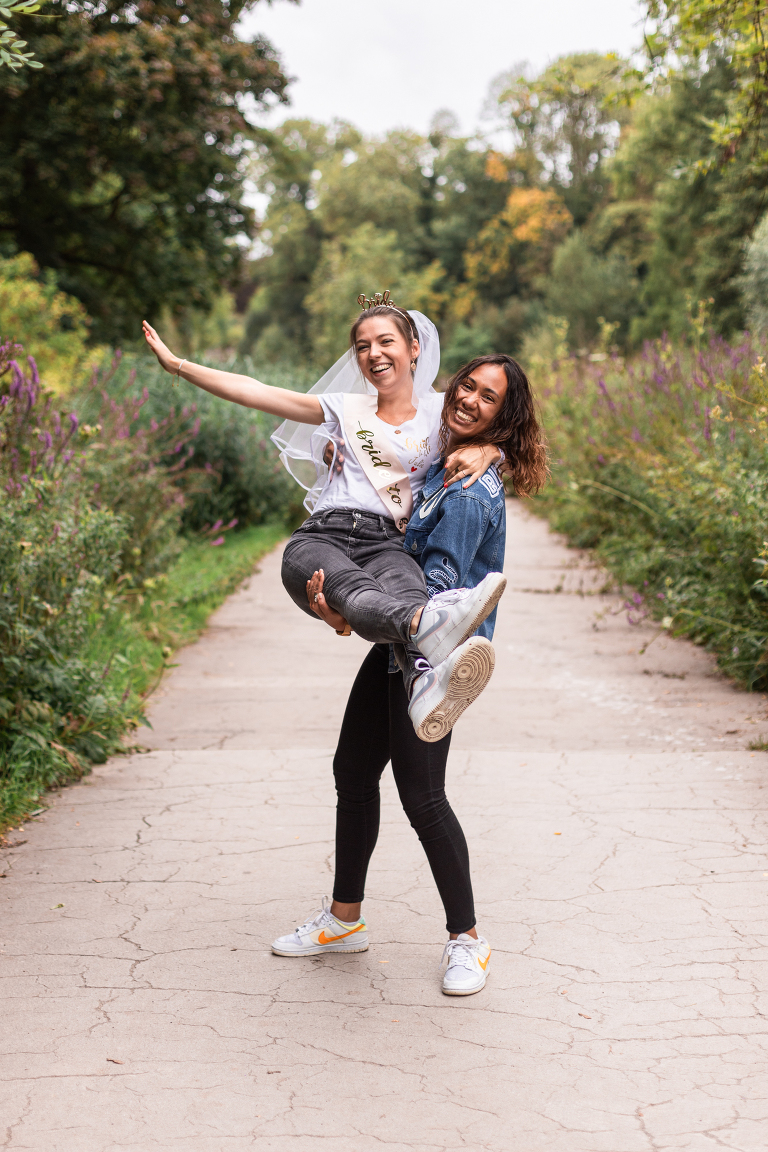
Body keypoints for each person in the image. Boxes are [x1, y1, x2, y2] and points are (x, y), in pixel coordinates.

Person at [271, 354, 548, 996]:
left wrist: (492, 457)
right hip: (401, 639)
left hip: (434, 659)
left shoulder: (470, 489)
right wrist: (346, 617)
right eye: (468, 386)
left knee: (423, 796)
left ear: (504, 417)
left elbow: (438, 591)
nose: (472, 400)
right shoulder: (446, 466)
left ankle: (467, 941)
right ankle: (344, 921)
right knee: (352, 770)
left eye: (490, 398)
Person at [143, 297, 504, 739]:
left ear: (413, 348)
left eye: (385, 341)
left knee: (407, 593)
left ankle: (424, 679)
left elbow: (504, 424)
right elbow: (257, 391)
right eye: (362, 346)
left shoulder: (441, 412)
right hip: (323, 539)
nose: (373, 353)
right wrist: (178, 365)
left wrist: (492, 450)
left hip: (388, 543)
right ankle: (423, 627)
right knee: (370, 596)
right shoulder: (343, 408)